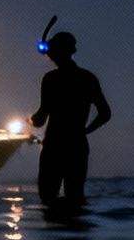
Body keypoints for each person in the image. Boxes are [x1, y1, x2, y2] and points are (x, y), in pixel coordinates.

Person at [29, 31, 111, 206]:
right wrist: (84, 131)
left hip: (53, 147)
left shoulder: (51, 79)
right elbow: (105, 113)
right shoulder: (88, 78)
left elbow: (41, 118)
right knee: (75, 198)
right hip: (77, 145)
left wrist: (31, 120)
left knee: (48, 199)